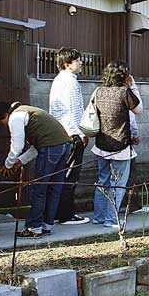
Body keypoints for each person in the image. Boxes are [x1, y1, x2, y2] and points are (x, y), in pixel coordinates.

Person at [0, 102, 72, 238]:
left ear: (5, 115)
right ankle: (46, 226)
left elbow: (17, 146)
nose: (5, 126)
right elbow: (37, 146)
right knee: (54, 189)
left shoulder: (15, 117)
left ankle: (34, 228)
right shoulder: (30, 112)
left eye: (3, 122)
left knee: (39, 189)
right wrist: (20, 162)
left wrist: (8, 164)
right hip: (65, 145)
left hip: (51, 147)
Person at [91, 61, 142, 228]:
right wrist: (133, 87)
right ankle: (111, 219)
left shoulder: (98, 91)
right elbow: (138, 110)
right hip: (120, 145)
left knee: (102, 181)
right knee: (118, 183)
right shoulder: (124, 92)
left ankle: (98, 217)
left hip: (101, 144)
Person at [49, 48, 90, 225]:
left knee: (61, 174)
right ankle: (66, 214)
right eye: (78, 61)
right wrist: (81, 133)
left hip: (60, 132)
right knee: (70, 175)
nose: (81, 63)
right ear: (68, 64)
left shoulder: (58, 80)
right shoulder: (70, 82)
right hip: (72, 133)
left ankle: (58, 212)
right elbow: (74, 111)